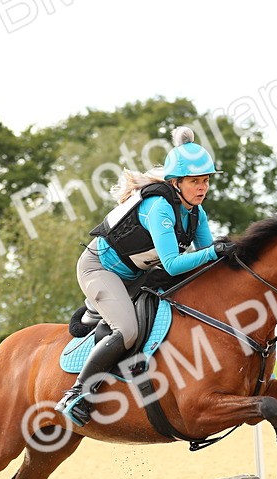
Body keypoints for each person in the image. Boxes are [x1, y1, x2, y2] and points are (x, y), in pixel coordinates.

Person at [55, 126, 238, 425]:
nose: (202, 187)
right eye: (195, 181)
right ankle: (77, 394)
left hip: (136, 275)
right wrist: (215, 251)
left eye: (205, 180)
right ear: (176, 183)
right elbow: (174, 263)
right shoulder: (159, 208)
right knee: (127, 331)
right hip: (99, 269)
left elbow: (207, 262)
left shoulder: (196, 213)